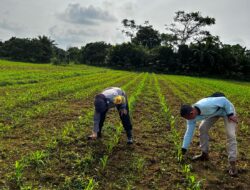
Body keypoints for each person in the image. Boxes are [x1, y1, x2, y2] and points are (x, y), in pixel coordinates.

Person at [180, 93, 238, 176]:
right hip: (213, 113)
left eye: (188, 118)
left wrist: (230, 114)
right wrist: (184, 148)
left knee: (230, 134)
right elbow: (189, 132)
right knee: (202, 128)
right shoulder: (190, 117)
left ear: (192, 113)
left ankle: (233, 164)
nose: (188, 120)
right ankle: (204, 154)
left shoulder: (205, 104)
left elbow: (224, 100)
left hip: (226, 110)